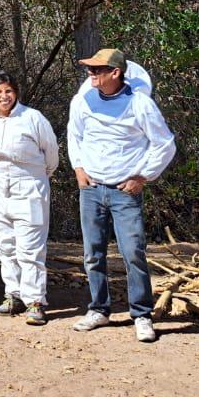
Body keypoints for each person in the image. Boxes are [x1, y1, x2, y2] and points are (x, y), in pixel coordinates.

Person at [67, 47, 177, 343]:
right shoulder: (83, 100)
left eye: (96, 70)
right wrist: (78, 168)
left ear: (115, 73)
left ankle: (141, 314)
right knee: (93, 254)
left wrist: (142, 176)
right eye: (89, 70)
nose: (90, 74)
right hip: (91, 189)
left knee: (133, 253)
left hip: (124, 192)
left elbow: (164, 144)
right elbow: (74, 134)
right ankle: (99, 309)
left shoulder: (140, 104)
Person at [0, 70, 59, 325]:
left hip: (30, 186)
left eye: (8, 91)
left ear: (16, 92)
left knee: (30, 248)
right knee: (6, 246)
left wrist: (37, 177)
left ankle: (35, 301)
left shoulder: (32, 118)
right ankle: (12, 295)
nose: (4, 97)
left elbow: (51, 155)